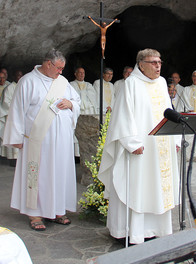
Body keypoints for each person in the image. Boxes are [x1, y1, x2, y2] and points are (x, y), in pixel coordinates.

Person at [98, 48, 180, 244]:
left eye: (159, 62)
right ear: (141, 65)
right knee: (138, 188)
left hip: (160, 148)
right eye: (153, 62)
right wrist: (131, 143)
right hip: (139, 149)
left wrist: (174, 139)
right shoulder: (131, 84)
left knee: (157, 188)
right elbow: (122, 117)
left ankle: (156, 229)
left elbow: (168, 112)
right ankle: (132, 233)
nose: (158, 66)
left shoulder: (161, 83)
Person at [2, 49, 81, 231]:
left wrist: (70, 104)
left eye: (63, 68)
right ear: (48, 64)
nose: (61, 72)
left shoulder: (62, 82)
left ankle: (57, 210)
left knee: (58, 173)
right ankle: (35, 213)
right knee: (39, 176)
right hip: (37, 141)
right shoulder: (28, 81)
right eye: (59, 68)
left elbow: (76, 101)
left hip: (61, 142)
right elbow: (17, 110)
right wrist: (16, 137)